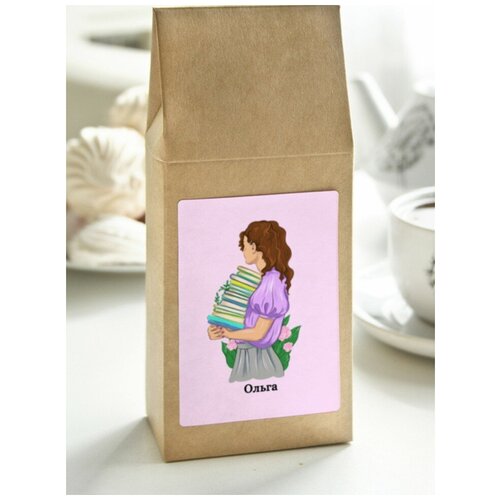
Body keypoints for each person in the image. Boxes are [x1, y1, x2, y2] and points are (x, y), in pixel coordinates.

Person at [207, 220, 294, 382]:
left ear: (254, 247)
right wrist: (221, 330)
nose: (243, 250)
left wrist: (226, 333)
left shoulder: (270, 284)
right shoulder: (266, 280)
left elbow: (258, 333)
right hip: (250, 354)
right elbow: (250, 322)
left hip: (256, 358)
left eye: (244, 245)